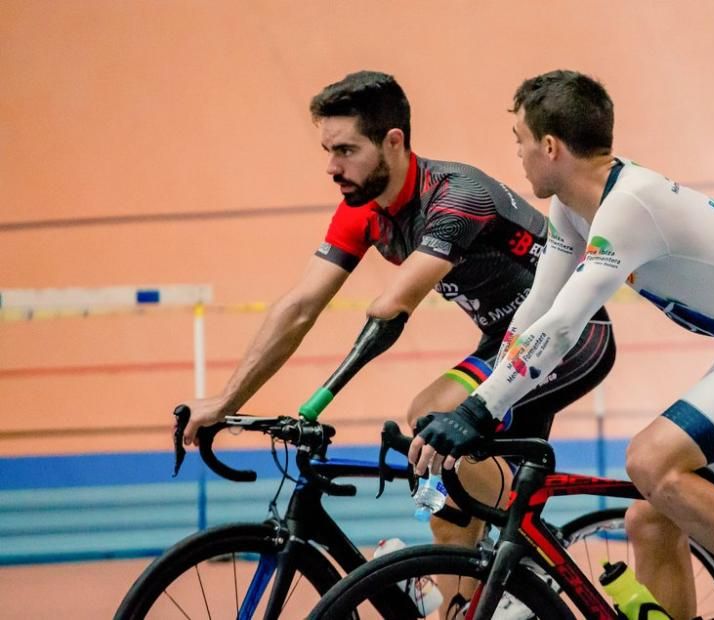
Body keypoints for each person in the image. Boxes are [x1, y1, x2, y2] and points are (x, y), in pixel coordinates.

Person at [409, 70, 714, 620]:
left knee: (650, 460)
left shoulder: (631, 206)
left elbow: (567, 323)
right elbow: (535, 313)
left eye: (519, 140)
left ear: (550, 147)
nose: (518, 155)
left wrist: (481, 408)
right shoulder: (573, 206)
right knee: (652, 517)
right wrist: (485, 402)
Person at [177, 70, 615, 608]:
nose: (332, 166)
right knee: (446, 501)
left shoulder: (457, 195)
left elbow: (392, 306)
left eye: (345, 149)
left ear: (394, 141)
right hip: (506, 343)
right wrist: (229, 399)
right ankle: (479, 594)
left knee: (430, 414)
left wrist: (316, 402)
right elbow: (298, 307)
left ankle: (520, 579)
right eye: (327, 149)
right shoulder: (363, 212)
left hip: (573, 338)